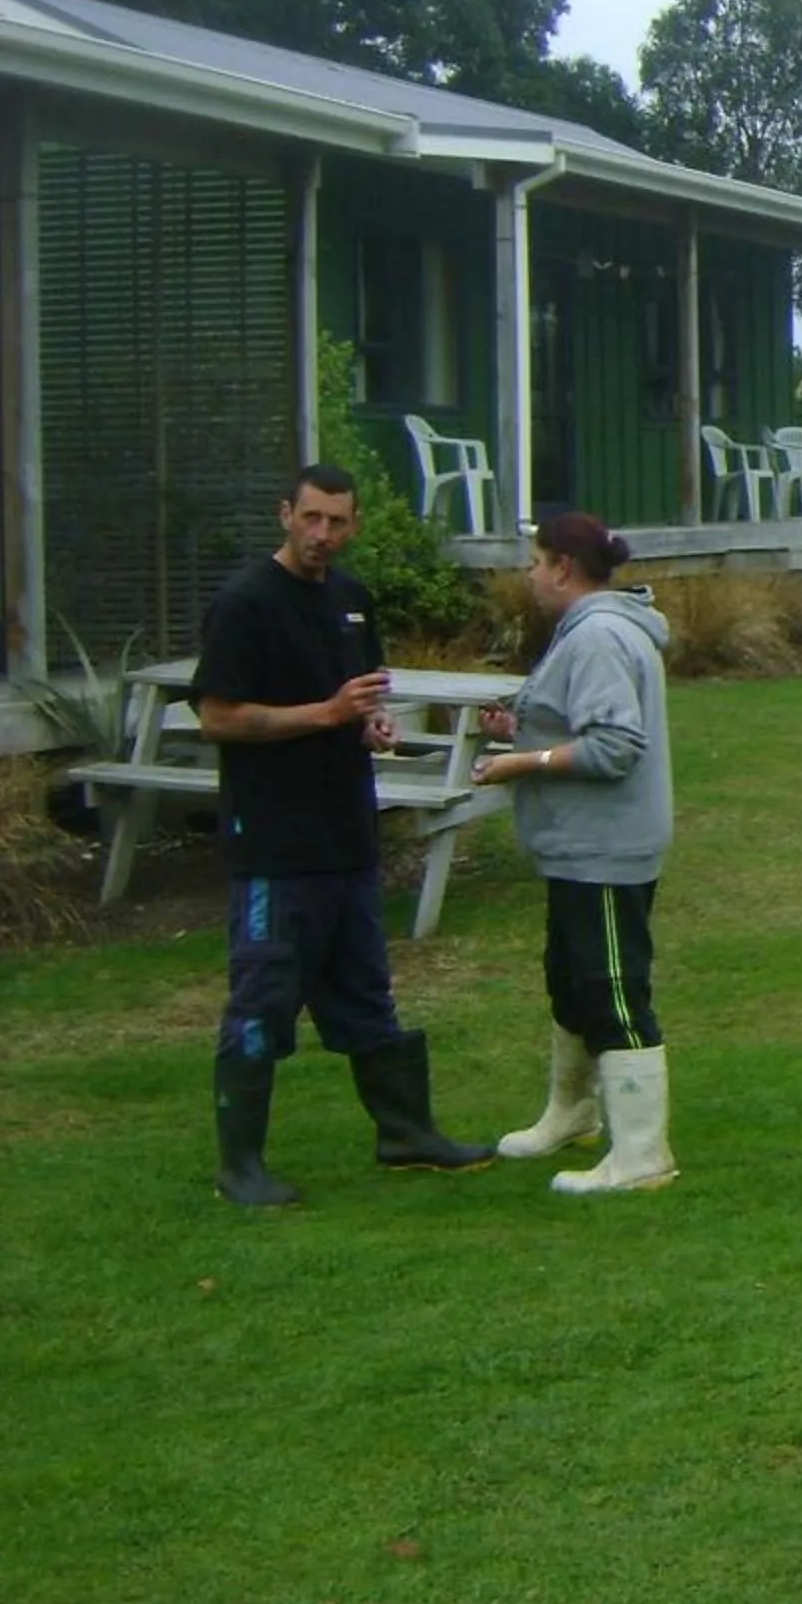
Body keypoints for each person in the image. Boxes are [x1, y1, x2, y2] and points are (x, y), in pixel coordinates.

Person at [192, 464, 492, 1207]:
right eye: (311, 518)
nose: (323, 534)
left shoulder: (352, 602)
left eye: (338, 522)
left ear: (355, 526)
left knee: (366, 993)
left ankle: (406, 1133)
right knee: (263, 999)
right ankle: (241, 1168)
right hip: (274, 844)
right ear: (284, 513)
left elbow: (356, 698)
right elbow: (219, 717)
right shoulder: (244, 605)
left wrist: (368, 722)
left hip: (348, 834)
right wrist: (323, 715)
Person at [472, 513, 680, 1195]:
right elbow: (578, 720)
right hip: (573, 849)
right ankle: (572, 1113)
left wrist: (521, 761)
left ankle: (643, 1154)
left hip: (605, 850)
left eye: (535, 562)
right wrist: (523, 726)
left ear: (563, 566)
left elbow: (616, 746)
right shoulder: (589, 632)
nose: (529, 575)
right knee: (570, 979)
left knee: (613, 989)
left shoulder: (597, 636)